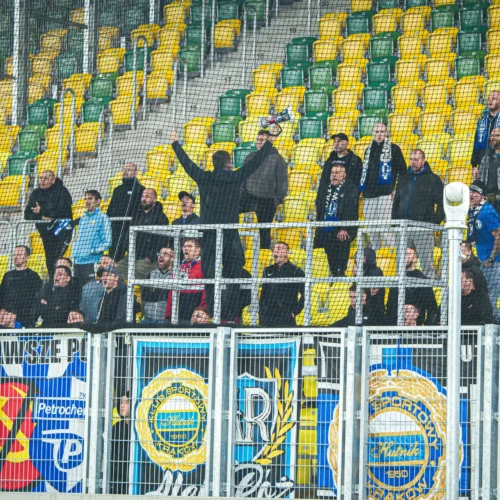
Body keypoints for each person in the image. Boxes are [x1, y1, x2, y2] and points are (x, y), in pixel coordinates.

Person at [169, 128, 275, 315]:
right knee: (234, 272)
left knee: (210, 276)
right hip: (230, 234)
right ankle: (232, 312)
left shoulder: (204, 177)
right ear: (228, 163)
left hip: (209, 236)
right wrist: (270, 141)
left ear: (213, 163)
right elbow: (255, 163)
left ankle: (212, 311)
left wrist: (175, 144)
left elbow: (187, 164)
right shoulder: (234, 177)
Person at [392, 149, 445, 279]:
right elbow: (396, 201)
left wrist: (433, 223)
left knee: (426, 264)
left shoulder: (433, 179)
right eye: (411, 159)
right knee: (401, 263)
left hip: (423, 228)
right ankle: (401, 289)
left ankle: (428, 289)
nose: (413, 162)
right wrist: (395, 223)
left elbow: (442, 203)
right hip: (403, 228)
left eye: (416, 159)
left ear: (423, 160)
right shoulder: (403, 178)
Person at [359, 123, 407, 249]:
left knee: (385, 230)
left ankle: (391, 255)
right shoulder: (368, 150)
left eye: (382, 132)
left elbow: (403, 172)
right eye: (377, 132)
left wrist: (397, 190)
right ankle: (377, 255)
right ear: (372, 133)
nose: (379, 134)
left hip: (386, 195)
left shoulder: (394, 149)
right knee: (371, 230)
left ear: (386, 133)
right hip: (369, 196)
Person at [239, 129, 288, 249]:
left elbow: (282, 185)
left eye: (262, 140)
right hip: (248, 197)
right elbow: (242, 178)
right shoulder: (250, 157)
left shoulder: (278, 159)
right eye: (257, 139)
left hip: (267, 201)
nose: (258, 142)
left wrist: (275, 202)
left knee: (264, 233)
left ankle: (263, 254)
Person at [24, 170, 73, 276]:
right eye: (40, 178)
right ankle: (53, 281)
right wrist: (42, 216)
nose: (42, 181)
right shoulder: (36, 193)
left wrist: (42, 210)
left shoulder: (62, 191)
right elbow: (27, 214)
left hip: (61, 232)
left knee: (57, 259)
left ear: (53, 180)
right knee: (49, 261)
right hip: (45, 232)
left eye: (45, 178)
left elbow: (63, 212)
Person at [315, 163, 359, 276]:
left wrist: (344, 228)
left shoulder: (350, 188)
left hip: (341, 231)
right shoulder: (325, 189)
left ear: (344, 175)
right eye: (332, 173)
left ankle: (340, 275)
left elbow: (351, 210)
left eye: (338, 173)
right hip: (325, 230)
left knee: (339, 263)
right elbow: (320, 208)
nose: (334, 175)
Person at [117, 188, 170, 280]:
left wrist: (150, 257)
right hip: (132, 256)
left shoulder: (161, 218)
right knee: (115, 270)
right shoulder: (137, 216)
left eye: (147, 196)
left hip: (149, 259)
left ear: (154, 199)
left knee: (136, 272)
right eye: (143, 196)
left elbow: (162, 241)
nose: (144, 199)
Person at [467, 180, 500, 321]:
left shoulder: (487, 211)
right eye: (470, 191)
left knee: (490, 297)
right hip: (484, 262)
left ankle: (493, 325)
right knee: (484, 296)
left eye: (475, 192)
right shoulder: (472, 212)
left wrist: (491, 258)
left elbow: (498, 235)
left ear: (482, 195)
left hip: (495, 263)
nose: (471, 194)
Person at [385, 245, 438, 326]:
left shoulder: (423, 280)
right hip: (396, 327)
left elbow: (432, 308)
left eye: (407, 254)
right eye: (403, 254)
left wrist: (425, 326)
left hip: (416, 327)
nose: (404, 257)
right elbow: (390, 307)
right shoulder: (396, 281)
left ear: (415, 258)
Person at [259, 242, 305, 327]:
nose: (275, 251)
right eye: (274, 249)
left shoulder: (296, 272)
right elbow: (263, 294)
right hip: (267, 317)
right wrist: (261, 312)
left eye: (279, 249)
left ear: (287, 253)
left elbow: (306, 294)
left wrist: (295, 311)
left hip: (286, 317)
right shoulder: (267, 271)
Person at [107, 162, 145, 262]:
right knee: (114, 258)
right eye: (124, 169)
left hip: (132, 229)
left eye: (128, 170)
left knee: (133, 258)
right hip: (116, 231)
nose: (125, 172)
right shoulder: (117, 190)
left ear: (135, 172)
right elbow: (110, 209)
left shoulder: (141, 190)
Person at [72, 190, 112, 286]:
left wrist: (93, 250)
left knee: (90, 290)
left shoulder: (103, 218)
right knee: (77, 291)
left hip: (92, 262)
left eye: (90, 198)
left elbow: (108, 242)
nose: (87, 201)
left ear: (98, 201)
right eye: (85, 199)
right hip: (77, 263)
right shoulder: (82, 219)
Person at [0, 245, 42, 327]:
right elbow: (2, 295)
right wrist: (2, 310)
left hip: (25, 320)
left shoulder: (33, 276)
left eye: (19, 255)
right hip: (6, 319)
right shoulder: (8, 276)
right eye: (14, 255)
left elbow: (37, 299)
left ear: (27, 258)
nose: (15, 257)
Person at [165, 238, 206, 322]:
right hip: (177, 311)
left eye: (189, 246)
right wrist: (168, 314)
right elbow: (171, 293)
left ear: (198, 250)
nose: (186, 248)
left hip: (194, 311)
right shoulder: (178, 267)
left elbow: (205, 293)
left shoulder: (203, 267)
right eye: (184, 246)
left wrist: (202, 311)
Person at [318, 133, 363, 201]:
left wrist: (352, 197)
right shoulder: (330, 160)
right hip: (330, 198)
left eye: (339, 141)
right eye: (335, 141)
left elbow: (358, 181)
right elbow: (324, 180)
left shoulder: (355, 160)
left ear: (347, 143)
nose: (336, 144)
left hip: (347, 199)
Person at [141, 247, 173, 324]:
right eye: (160, 254)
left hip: (166, 320)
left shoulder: (176, 275)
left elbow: (169, 297)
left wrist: (156, 291)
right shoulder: (151, 273)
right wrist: (162, 292)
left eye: (165, 254)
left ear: (172, 259)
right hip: (148, 318)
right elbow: (145, 296)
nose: (161, 256)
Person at [352, 248, 385, 320]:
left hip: (374, 312)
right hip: (359, 309)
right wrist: (356, 276)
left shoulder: (376, 272)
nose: (358, 261)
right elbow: (353, 291)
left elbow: (371, 292)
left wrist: (358, 276)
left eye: (362, 258)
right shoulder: (361, 271)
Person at [79, 256, 115, 322]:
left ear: (114, 266)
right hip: (85, 324)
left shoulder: (114, 285)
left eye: (105, 263)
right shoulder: (87, 285)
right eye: (99, 263)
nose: (101, 265)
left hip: (102, 324)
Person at [472, 90, 500, 175]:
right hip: (483, 163)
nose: (490, 101)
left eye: (493, 99)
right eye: (489, 99)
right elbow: (476, 142)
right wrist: (474, 165)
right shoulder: (482, 120)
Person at [110, 393, 131, 495]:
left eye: (126, 402)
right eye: (121, 402)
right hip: (117, 476)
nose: (122, 405)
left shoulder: (138, 428)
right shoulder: (116, 427)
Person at [477, 127, 500, 213]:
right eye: (491, 136)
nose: (492, 138)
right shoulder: (486, 158)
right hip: (488, 199)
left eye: (496, 135)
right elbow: (480, 178)